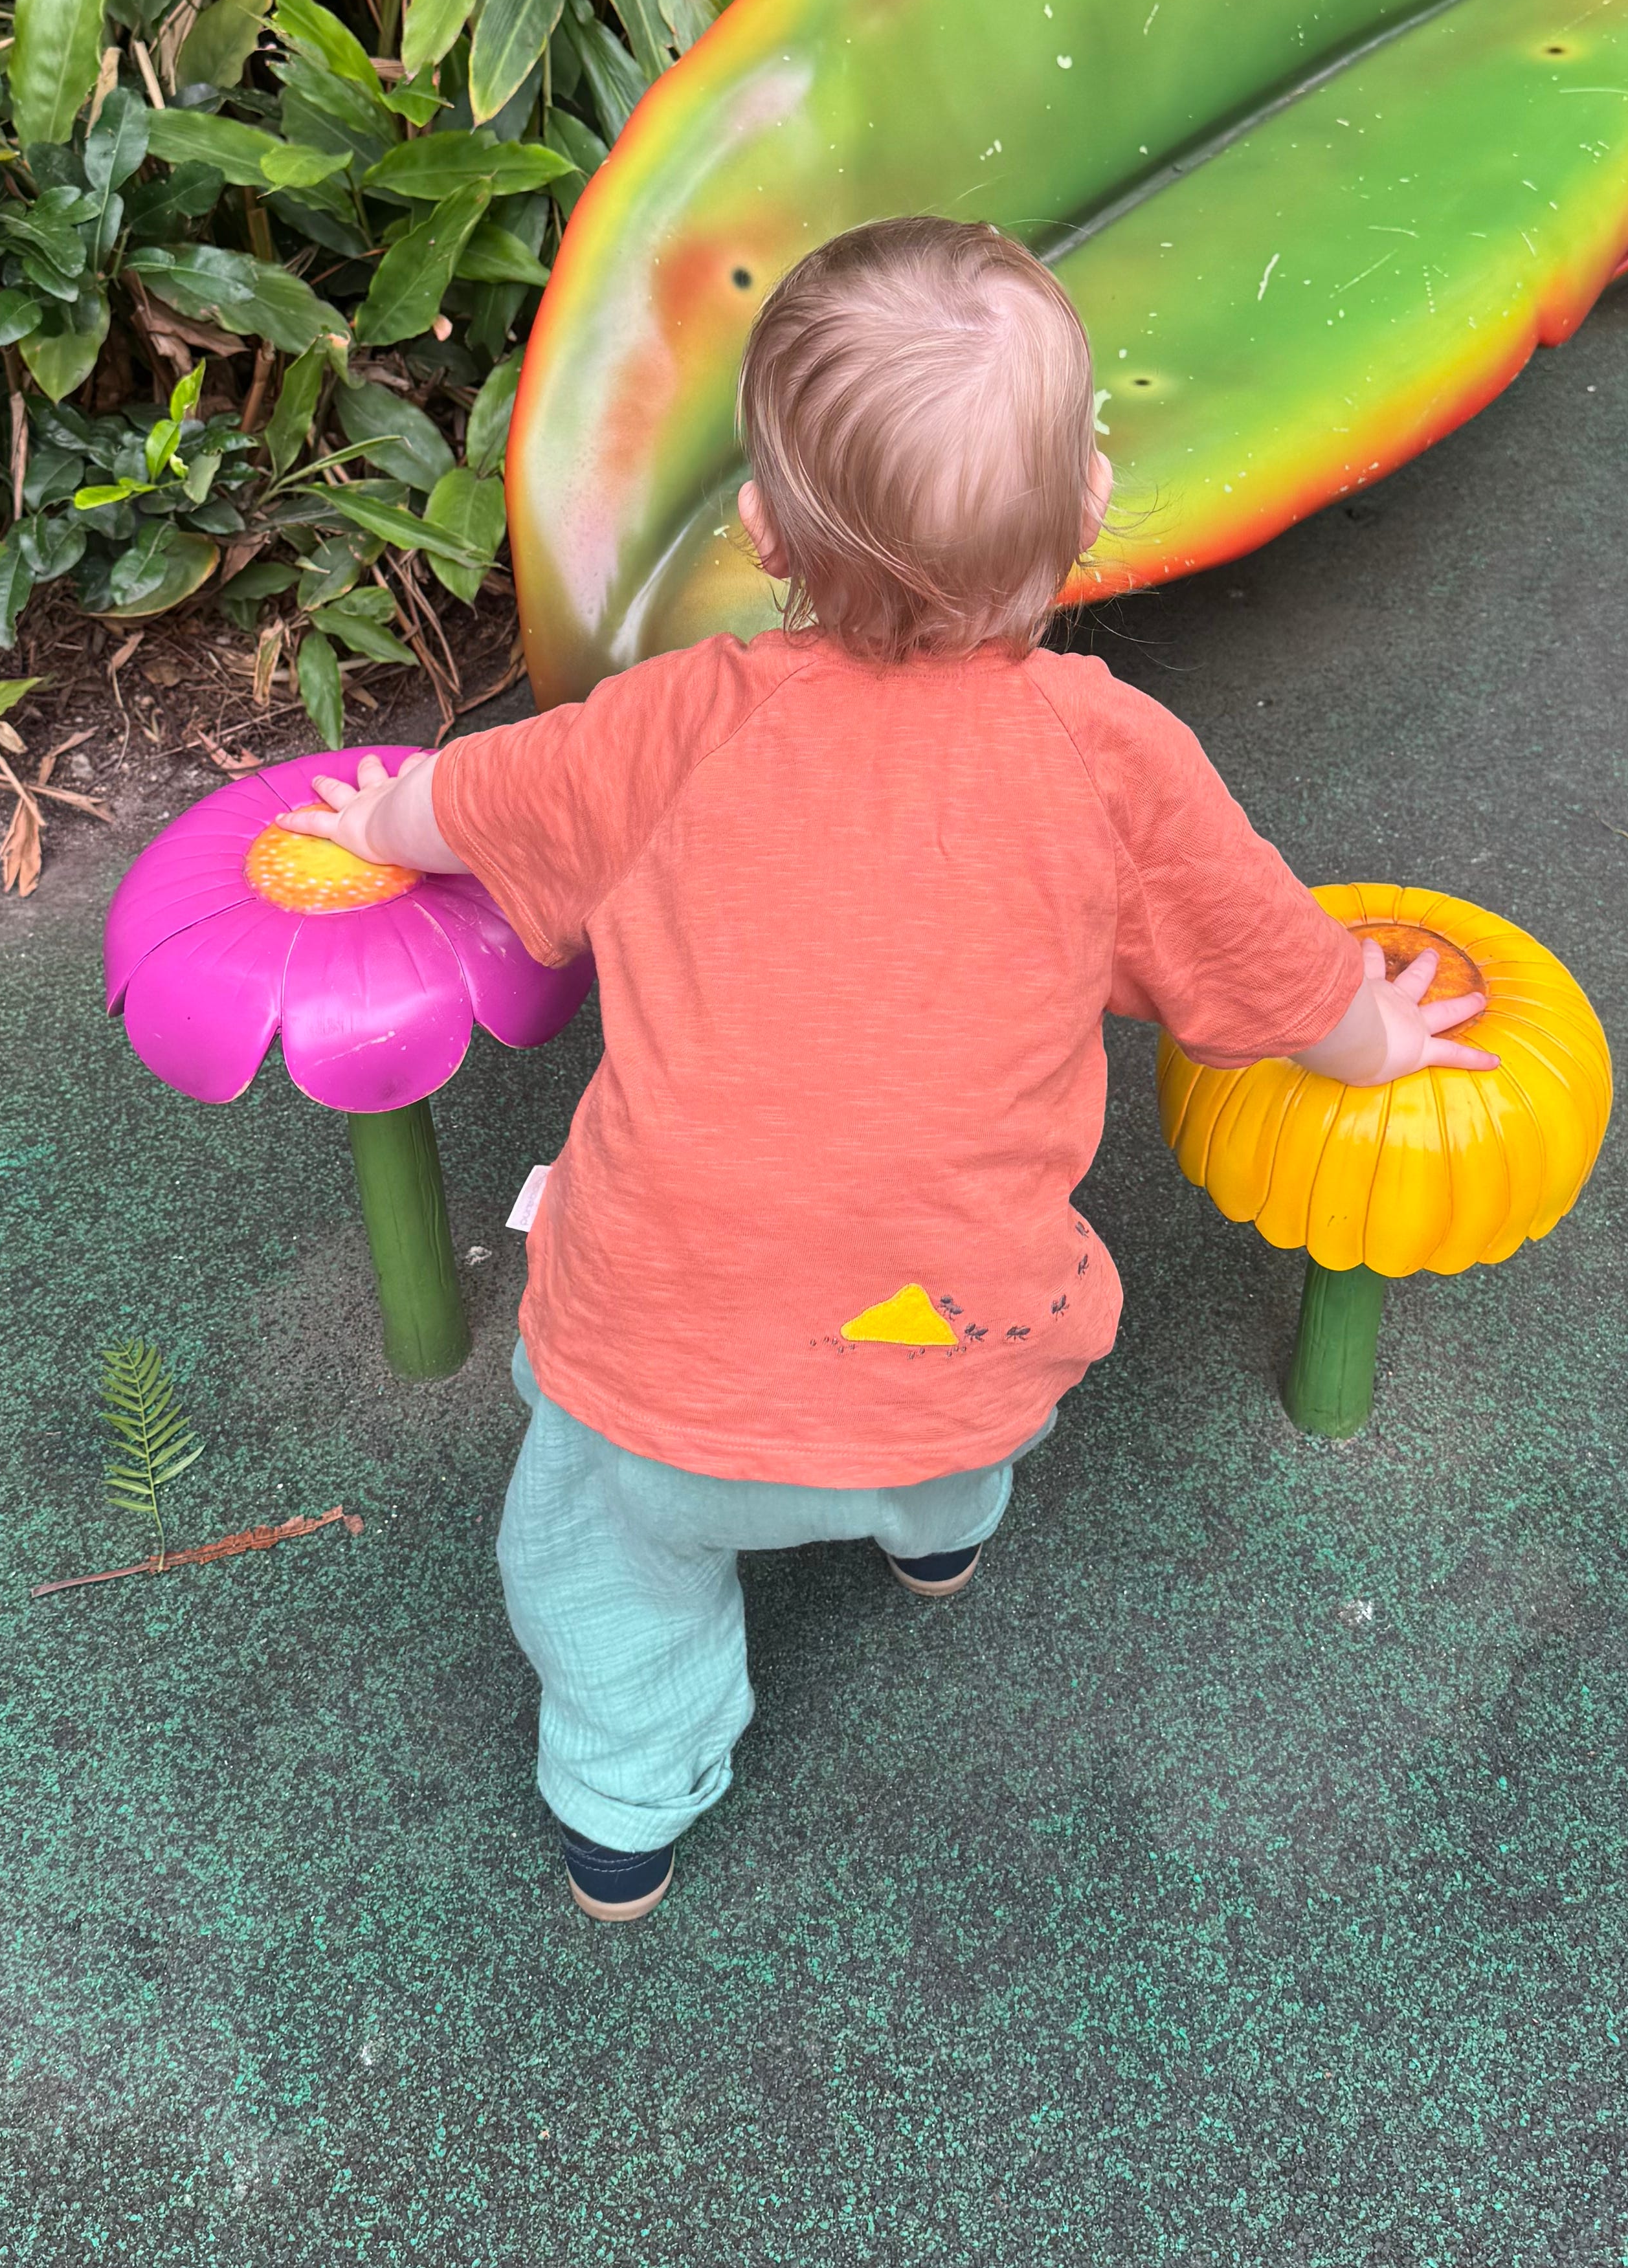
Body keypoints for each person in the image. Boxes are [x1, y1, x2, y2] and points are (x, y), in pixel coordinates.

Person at [278, 216, 1491, 1921]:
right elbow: (1280, 969)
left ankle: (622, 1805)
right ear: (1089, 504)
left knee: (599, 1548)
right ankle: (938, 1531)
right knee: (963, 1332)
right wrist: (1377, 1034)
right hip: (962, 1362)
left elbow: (469, 802)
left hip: (657, 1372)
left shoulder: (677, 720)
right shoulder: (1116, 761)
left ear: (763, 531)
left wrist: (376, 822)